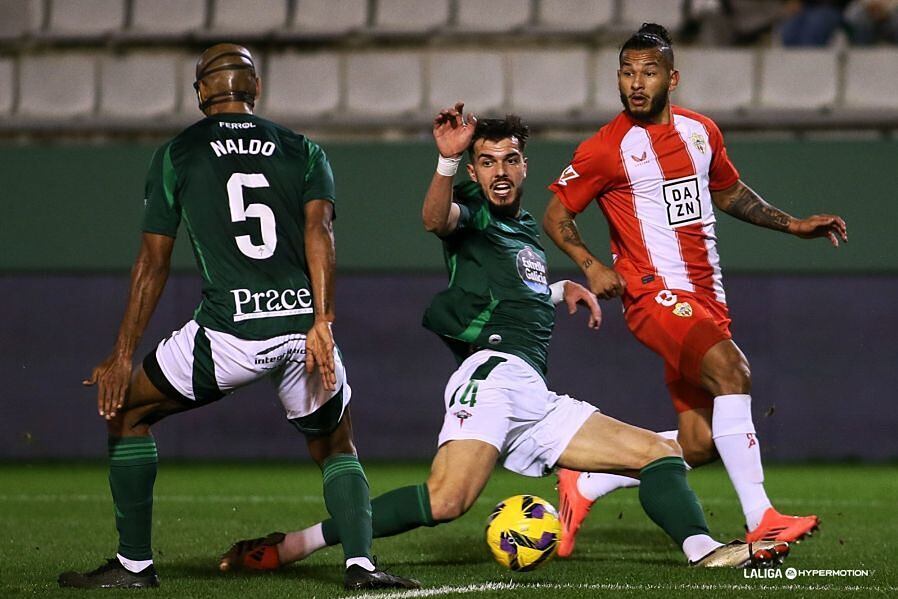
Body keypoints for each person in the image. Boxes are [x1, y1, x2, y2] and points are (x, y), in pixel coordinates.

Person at [217, 104, 790, 573]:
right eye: (485, 161)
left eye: (509, 159)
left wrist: (560, 287)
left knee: (660, 455)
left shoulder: (525, 238)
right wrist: (444, 164)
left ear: (523, 166)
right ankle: (292, 546)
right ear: (474, 171)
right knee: (446, 502)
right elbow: (435, 221)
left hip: (532, 395)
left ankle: (704, 551)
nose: (498, 170)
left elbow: (516, 285)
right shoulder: (472, 212)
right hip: (492, 378)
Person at [57, 43, 418, 591]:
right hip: (302, 329)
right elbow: (320, 234)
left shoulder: (178, 153)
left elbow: (153, 262)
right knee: (336, 444)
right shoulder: (304, 150)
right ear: (256, 90)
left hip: (229, 333)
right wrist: (323, 320)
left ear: (201, 91)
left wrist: (123, 351)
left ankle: (133, 566)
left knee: (128, 412)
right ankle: (362, 567)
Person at [543, 23, 848, 558]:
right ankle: (763, 520)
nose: (636, 83)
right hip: (654, 295)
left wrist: (793, 224)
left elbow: (728, 192)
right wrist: (590, 264)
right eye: (627, 72)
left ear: (672, 78)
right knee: (734, 372)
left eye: (649, 72)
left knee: (701, 442)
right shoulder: (606, 149)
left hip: (706, 298)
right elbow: (556, 214)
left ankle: (586, 484)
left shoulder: (701, 131)